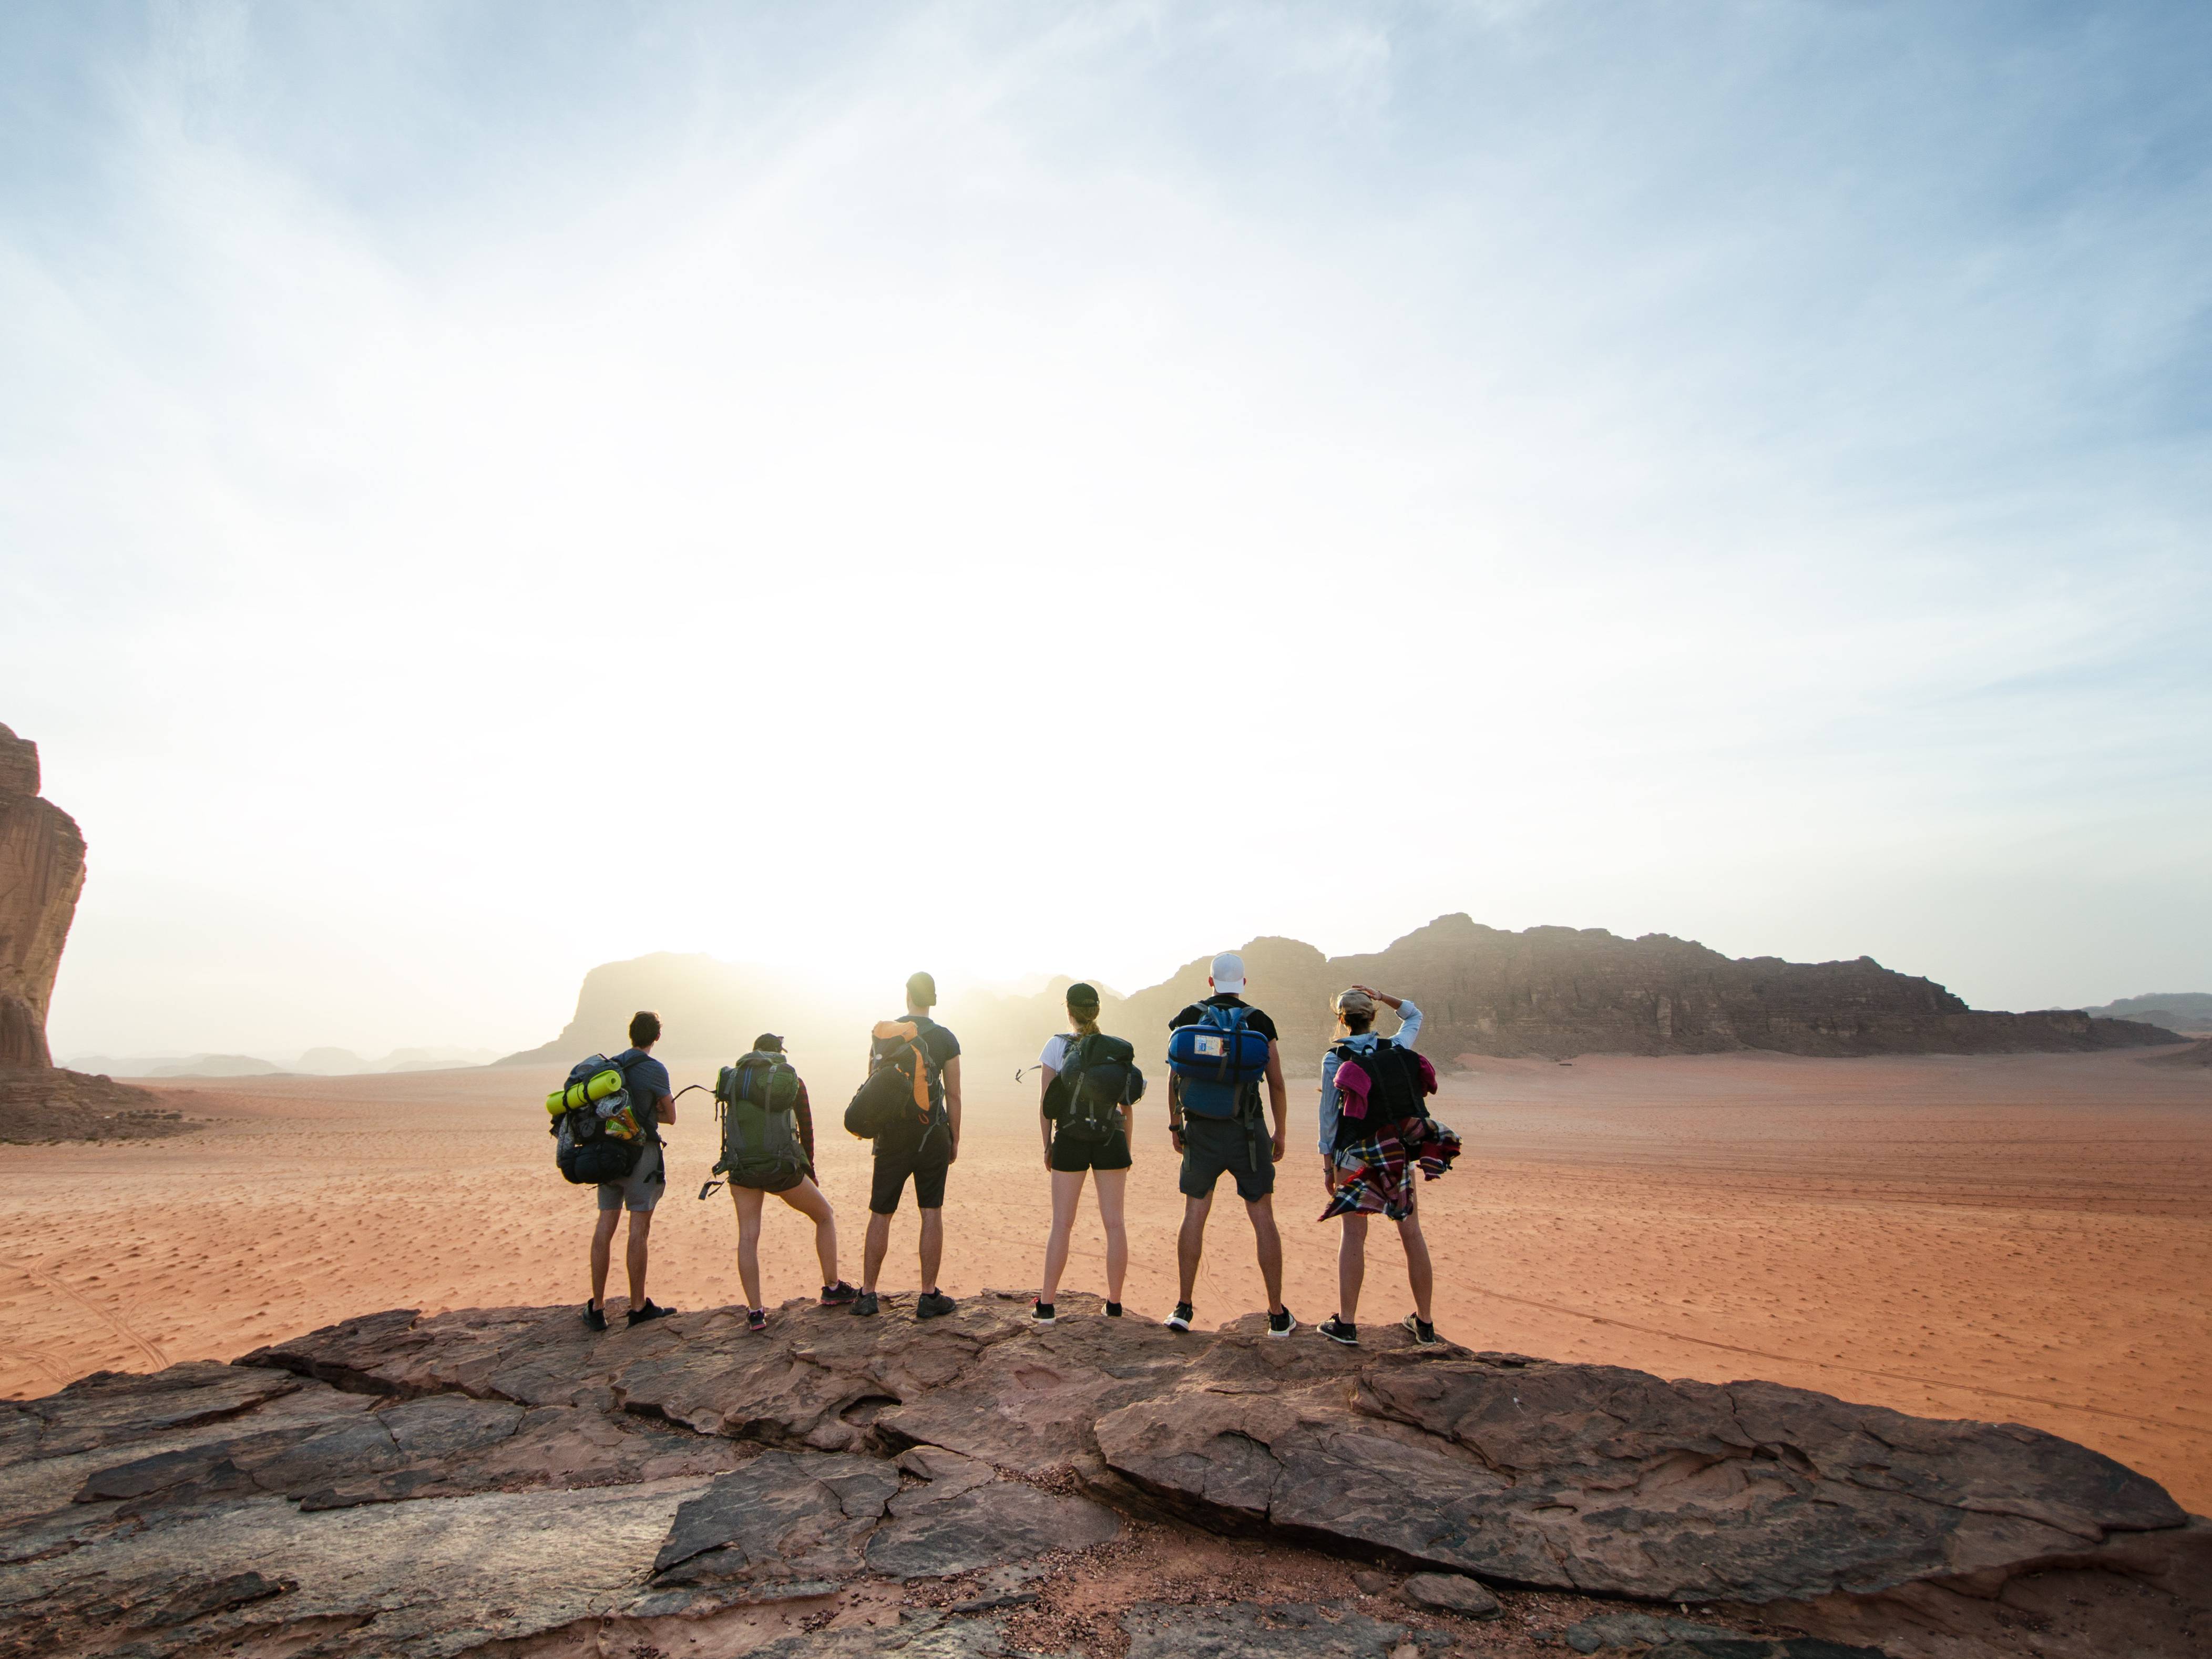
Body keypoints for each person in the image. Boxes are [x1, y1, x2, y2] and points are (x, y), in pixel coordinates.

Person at [1315, 986, 1457, 1347]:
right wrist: (1383, 995)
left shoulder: (1336, 1059)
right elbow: (1415, 1015)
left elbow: (1329, 1117)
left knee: (1353, 1237)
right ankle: (1424, 1324)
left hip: (1354, 1158)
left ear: (1341, 1019)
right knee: (1412, 1234)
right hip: (1395, 1155)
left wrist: (1328, 1164)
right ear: (1372, 1014)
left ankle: (1346, 1324)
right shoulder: (1396, 1048)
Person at [1164, 951, 1295, 1337]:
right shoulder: (1259, 1020)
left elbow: (1173, 1079)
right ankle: (1276, 1315)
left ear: (1210, 983)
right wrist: (1280, 1131)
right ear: (1243, 984)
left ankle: (1184, 1307)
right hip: (1248, 1133)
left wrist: (1175, 1125)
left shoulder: (1188, 1017)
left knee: (1194, 1215)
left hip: (1201, 1131)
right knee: (1263, 1217)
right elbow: (1277, 1083)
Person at [723, 1034, 858, 1334]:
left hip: (742, 1168)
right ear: (777, 1054)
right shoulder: (790, 1080)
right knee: (824, 1215)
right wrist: (809, 1171)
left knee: (748, 1236)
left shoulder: (735, 1080)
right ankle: (832, 1287)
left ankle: (756, 1313)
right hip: (780, 1169)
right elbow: (806, 1128)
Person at [856, 971, 962, 1319]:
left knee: (880, 1214)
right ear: (932, 999)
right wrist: (954, 1138)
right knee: (931, 1213)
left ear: (907, 997)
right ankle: (929, 1296)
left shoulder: (884, 1035)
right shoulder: (946, 1039)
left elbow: (871, 1085)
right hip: (932, 1137)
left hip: (891, 1139)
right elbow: (955, 1094)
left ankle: (868, 1294)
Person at [1032, 982, 1131, 1324]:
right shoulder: (1114, 1050)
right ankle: (1114, 1305)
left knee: (1062, 1223)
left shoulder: (1056, 1046)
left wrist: (1048, 1146)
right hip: (1111, 1139)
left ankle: (1046, 1306)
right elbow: (1126, 1107)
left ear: (1069, 1011)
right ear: (1097, 1011)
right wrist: (1125, 1150)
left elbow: (1047, 1105)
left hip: (1071, 1139)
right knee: (1115, 1223)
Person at [586, 1009, 677, 1331]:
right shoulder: (655, 1070)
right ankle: (637, 1307)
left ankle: (597, 1307)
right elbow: (671, 1116)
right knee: (638, 1230)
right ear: (657, 1037)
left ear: (631, 1034)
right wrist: (649, 1113)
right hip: (641, 1157)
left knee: (605, 1225)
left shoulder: (611, 1066)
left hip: (609, 1155)